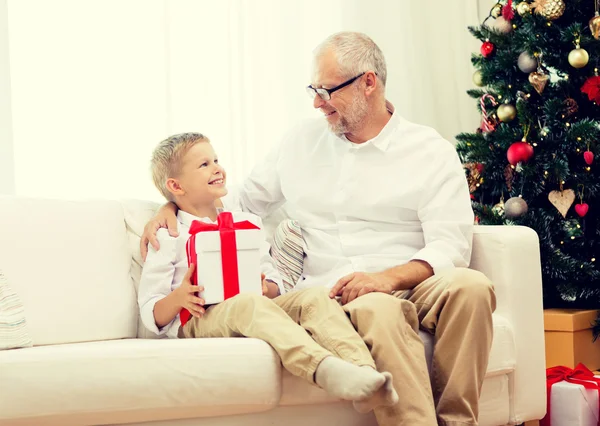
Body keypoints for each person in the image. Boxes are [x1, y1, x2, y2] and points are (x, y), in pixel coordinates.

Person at [142, 32, 496, 426]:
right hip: (335, 290)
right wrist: (170, 205)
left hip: (409, 276)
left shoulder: (429, 150)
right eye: (313, 89)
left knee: (472, 287)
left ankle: (458, 423)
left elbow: (450, 245)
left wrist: (386, 278)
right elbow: (233, 200)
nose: (316, 102)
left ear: (368, 83)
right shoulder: (300, 142)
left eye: (326, 90)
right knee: (381, 308)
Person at [138, 132, 399, 414]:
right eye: (203, 165)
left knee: (314, 296)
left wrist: (267, 287)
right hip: (199, 319)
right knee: (247, 304)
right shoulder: (168, 234)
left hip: (252, 304)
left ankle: (363, 373)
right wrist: (178, 298)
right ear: (176, 185)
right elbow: (150, 311)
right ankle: (323, 368)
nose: (217, 168)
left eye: (216, 160)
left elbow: (272, 277)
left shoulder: (245, 223)